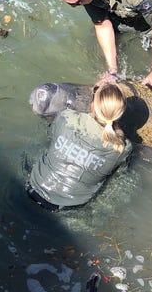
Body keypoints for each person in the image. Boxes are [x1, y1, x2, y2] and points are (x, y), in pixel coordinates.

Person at [26, 81, 133, 211]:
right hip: (68, 206)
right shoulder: (123, 147)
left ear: (92, 106)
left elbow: (51, 137)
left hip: (33, 186)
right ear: (120, 113)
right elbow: (120, 173)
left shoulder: (65, 116)